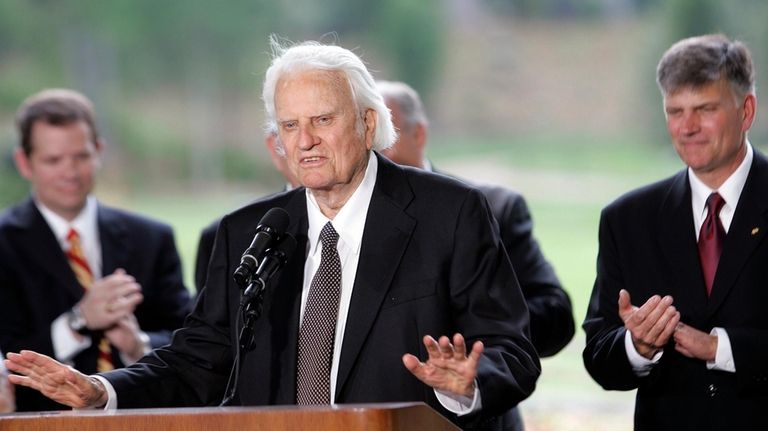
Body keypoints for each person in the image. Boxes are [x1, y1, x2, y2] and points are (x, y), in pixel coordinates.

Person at [5, 39, 540, 430]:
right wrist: (99, 390)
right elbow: (198, 360)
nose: (303, 141)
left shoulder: (449, 212)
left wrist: (467, 384)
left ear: (368, 124)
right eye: (288, 126)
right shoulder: (251, 231)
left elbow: (513, 350)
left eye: (322, 121)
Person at [582, 34, 768, 430]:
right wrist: (638, 347)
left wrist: (720, 347)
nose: (688, 127)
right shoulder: (627, 219)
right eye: (675, 111)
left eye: (704, 109)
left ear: (746, 111)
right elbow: (599, 355)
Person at [377, 80, 574, 430]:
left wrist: (477, 323)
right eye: (368, 138)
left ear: (419, 134)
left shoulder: (490, 209)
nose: (375, 152)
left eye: (385, 138)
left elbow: (556, 318)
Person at [0, 89, 192, 411]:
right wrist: (79, 320)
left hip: (141, 417)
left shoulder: (151, 237)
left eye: (81, 156)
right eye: (53, 160)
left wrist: (138, 344)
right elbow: (6, 356)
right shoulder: (4, 244)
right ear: (24, 162)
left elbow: (192, 339)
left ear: (99, 151)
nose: (70, 172)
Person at [194, 130, 300, 294]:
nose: (307, 142)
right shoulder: (223, 235)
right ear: (274, 147)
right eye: (292, 126)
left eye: (323, 121)